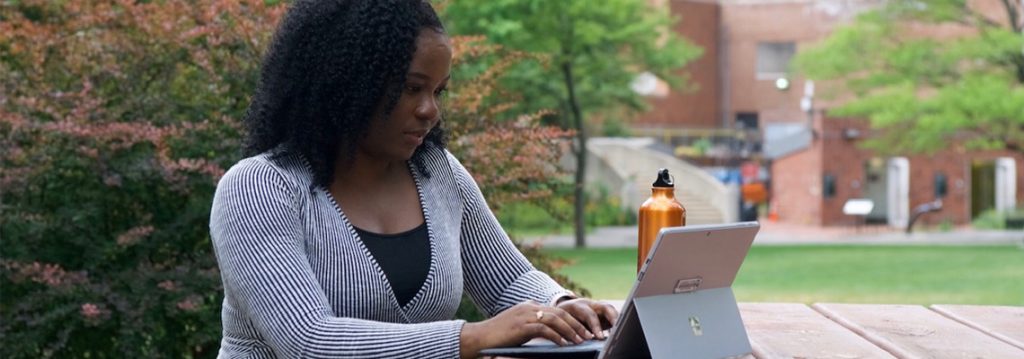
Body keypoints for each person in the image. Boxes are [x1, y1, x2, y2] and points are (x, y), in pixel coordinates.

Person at [208, 1, 618, 358]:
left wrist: (562, 306)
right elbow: (310, 342)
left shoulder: (436, 172)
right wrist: (469, 339)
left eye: (439, 91)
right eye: (411, 88)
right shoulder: (259, 188)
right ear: (346, 83)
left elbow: (509, 281)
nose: (430, 111)